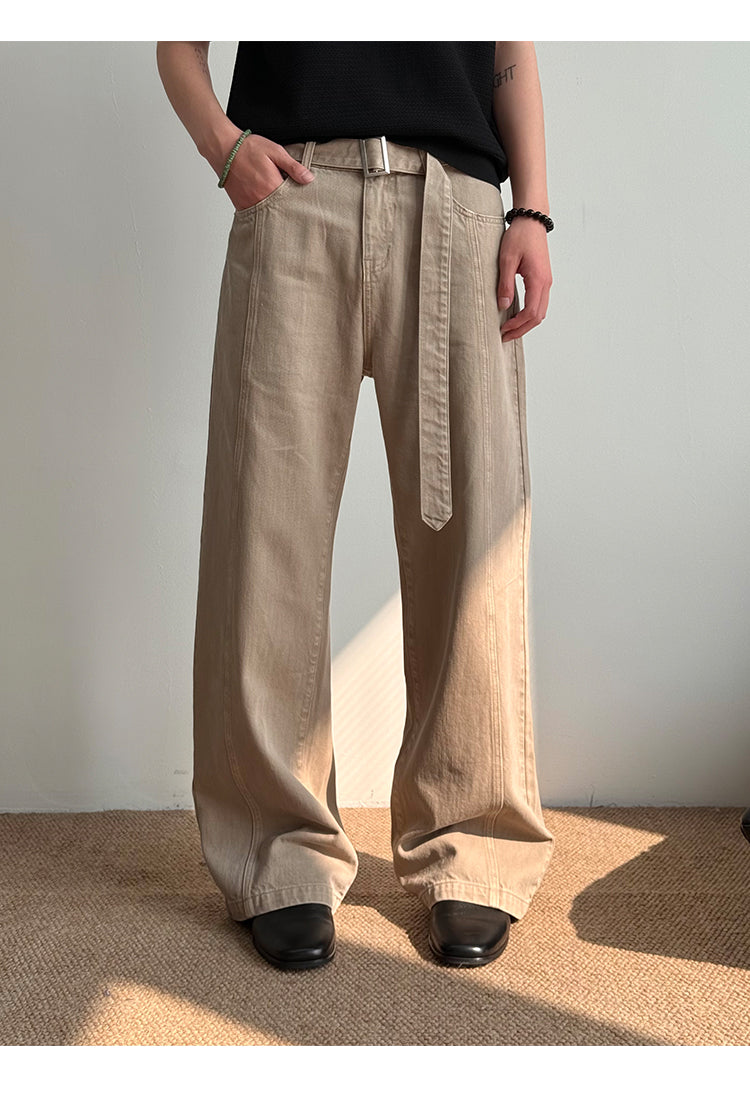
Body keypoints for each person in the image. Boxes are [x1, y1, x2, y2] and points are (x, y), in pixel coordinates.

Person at [156, 40, 555, 971]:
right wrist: (221, 144)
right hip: (296, 192)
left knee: (476, 534)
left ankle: (474, 845)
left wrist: (531, 208)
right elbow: (175, 34)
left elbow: (509, 39)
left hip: (457, 202)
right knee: (267, 530)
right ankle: (278, 854)